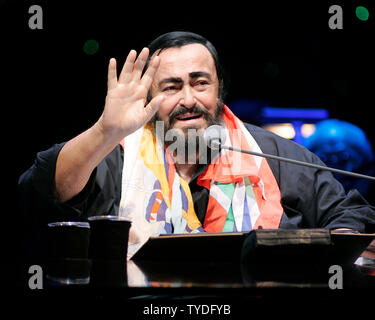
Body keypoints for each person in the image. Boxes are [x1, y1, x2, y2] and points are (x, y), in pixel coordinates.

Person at [19, 31, 375, 258]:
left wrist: (327, 252)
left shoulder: (275, 156)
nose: (188, 99)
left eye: (200, 82)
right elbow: (41, 189)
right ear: (148, 96)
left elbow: (352, 215)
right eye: (171, 87)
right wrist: (105, 130)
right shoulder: (114, 154)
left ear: (219, 88)